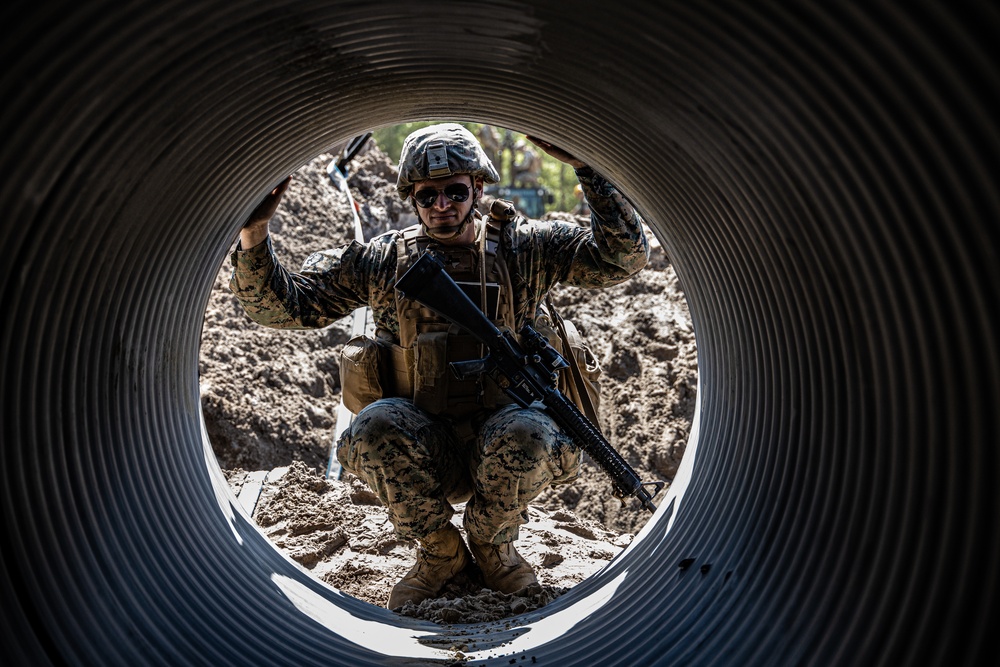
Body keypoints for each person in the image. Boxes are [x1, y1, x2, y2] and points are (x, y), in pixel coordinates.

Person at [230, 123, 648, 610]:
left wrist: (589, 170)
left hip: (507, 446)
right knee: (372, 427)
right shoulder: (383, 261)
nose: (441, 205)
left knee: (532, 432)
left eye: (454, 191)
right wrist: (254, 233)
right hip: (423, 449)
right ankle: (440, 553)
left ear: (478, 188)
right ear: (412, 198)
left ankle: (493, 548)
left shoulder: (525, 249)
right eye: (427, 195)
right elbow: (284, 308)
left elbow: (622, 259)